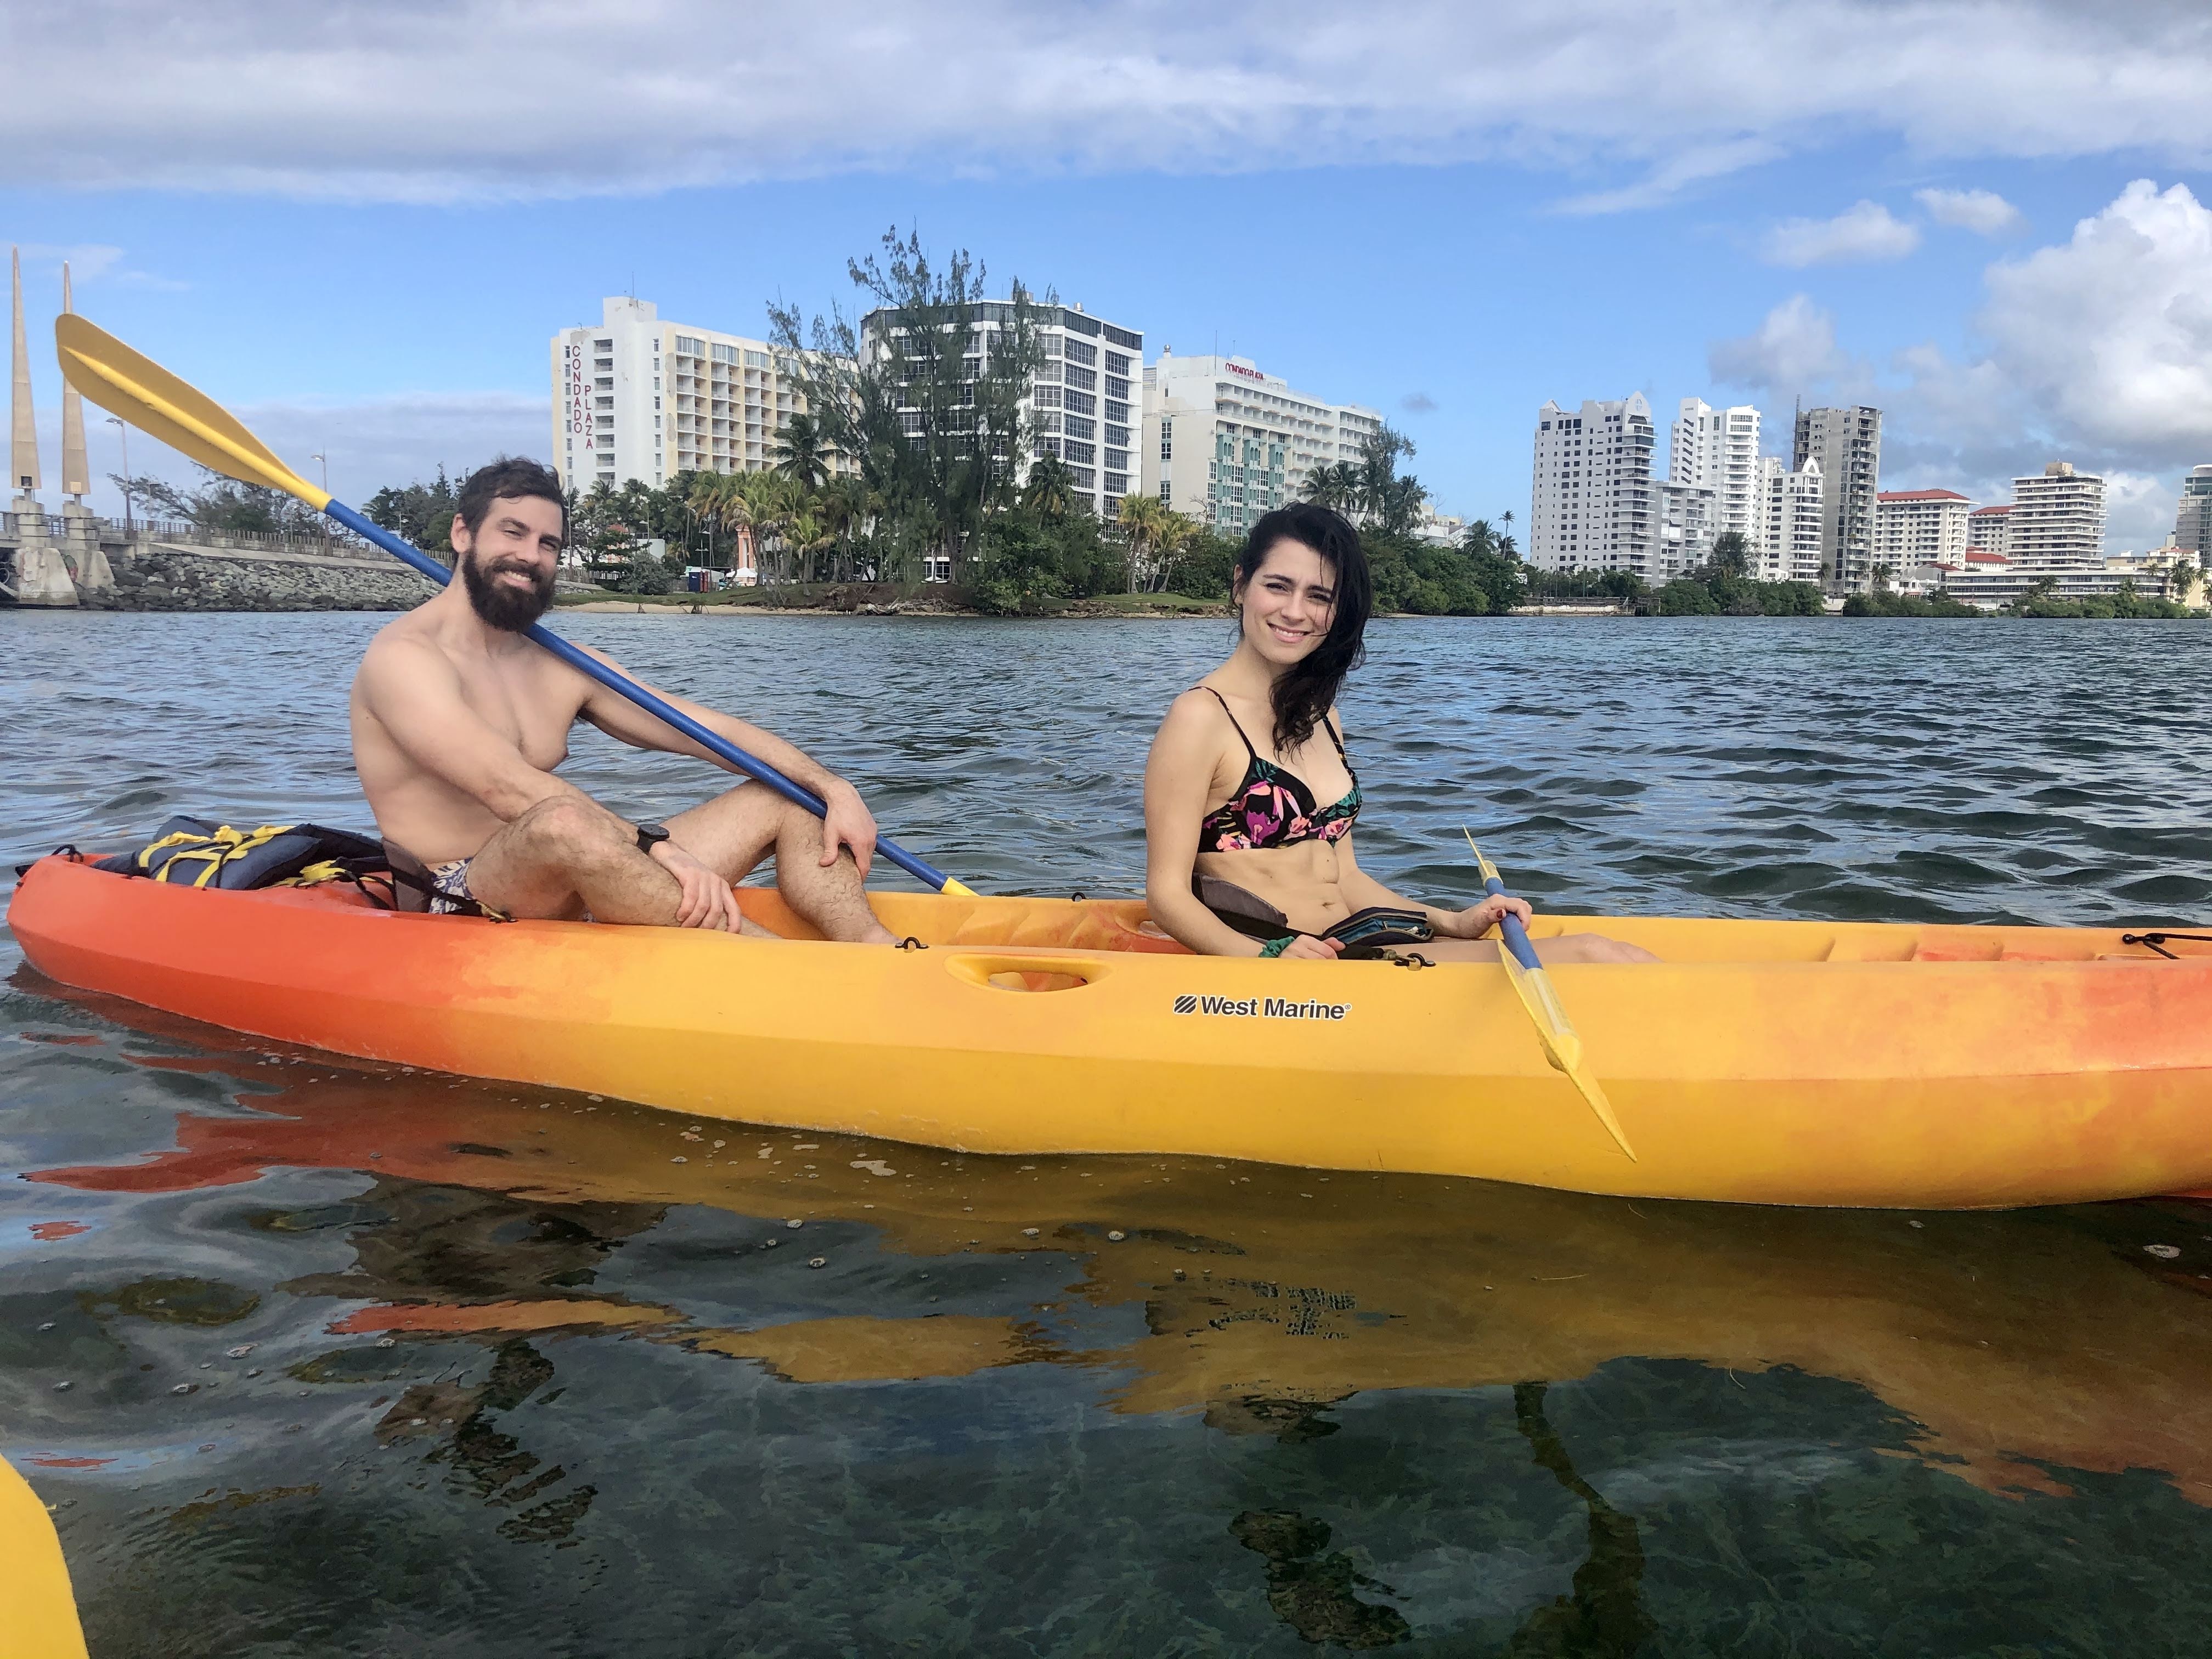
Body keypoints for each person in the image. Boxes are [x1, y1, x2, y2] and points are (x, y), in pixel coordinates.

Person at [349, 457, 894, 941]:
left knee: (784, 790)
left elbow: (703, 728)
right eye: (512, 533)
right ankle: (779, 969)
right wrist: (659, 848)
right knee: (561, 820)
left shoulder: (562, 664)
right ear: (463, 534)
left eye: (547, 544)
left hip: (584, 868)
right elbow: (508, 786)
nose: (529, 556)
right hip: (459, 899)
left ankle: (873, 948)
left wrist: (831, 786)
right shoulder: (405, 659)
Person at [1142, 503, 1656, 964]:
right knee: (1595, 956)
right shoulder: (1200, 717)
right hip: (1297, 969)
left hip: (1361, 944)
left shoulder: (1320, 716)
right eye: (1278, 586)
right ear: (1241, 585)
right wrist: (1264, 958)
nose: (1295, 611)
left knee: (1618, 954)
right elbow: (1167, 895)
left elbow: (1346, 877)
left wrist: (1453, 922)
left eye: (1319, 596)